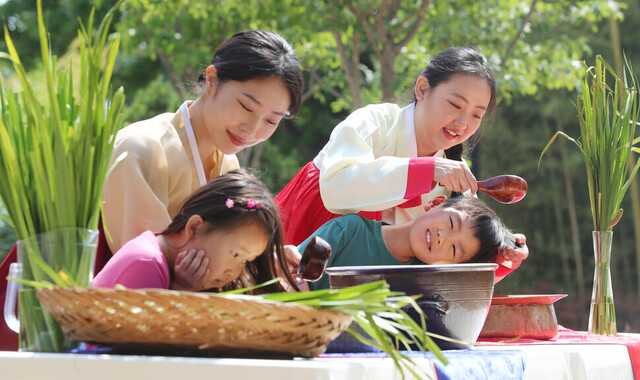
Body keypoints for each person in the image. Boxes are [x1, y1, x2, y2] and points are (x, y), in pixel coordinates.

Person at [275, 45, 527, 276]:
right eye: (454, 104)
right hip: (303, 238)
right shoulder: (374, 122)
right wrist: (426, 172)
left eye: (476, 115)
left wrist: (503, 255)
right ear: (422, 89)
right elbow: (335, 188)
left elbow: (458, 263)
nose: (463, 124)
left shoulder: (453, 175)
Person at [101, 29, 304, 255]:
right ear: (212, 80)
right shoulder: (142, 150)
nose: (252, 129)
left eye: (271, 120)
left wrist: (268, 263)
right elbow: (143, 265)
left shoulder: (228, 165)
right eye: (246, 106)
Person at [93, 169, 296, 292]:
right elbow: (154, 348)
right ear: (195, 227)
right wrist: (183, 290)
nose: (234, 272)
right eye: (235, 254)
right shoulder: (147, 263)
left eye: (245, 261)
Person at [297, 195, 516, 291]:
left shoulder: (421, 283)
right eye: (451, 222)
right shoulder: (350, 230)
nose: (443, 238)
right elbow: (290, 272)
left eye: (454, 249)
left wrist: (509, 256)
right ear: (436, 204)